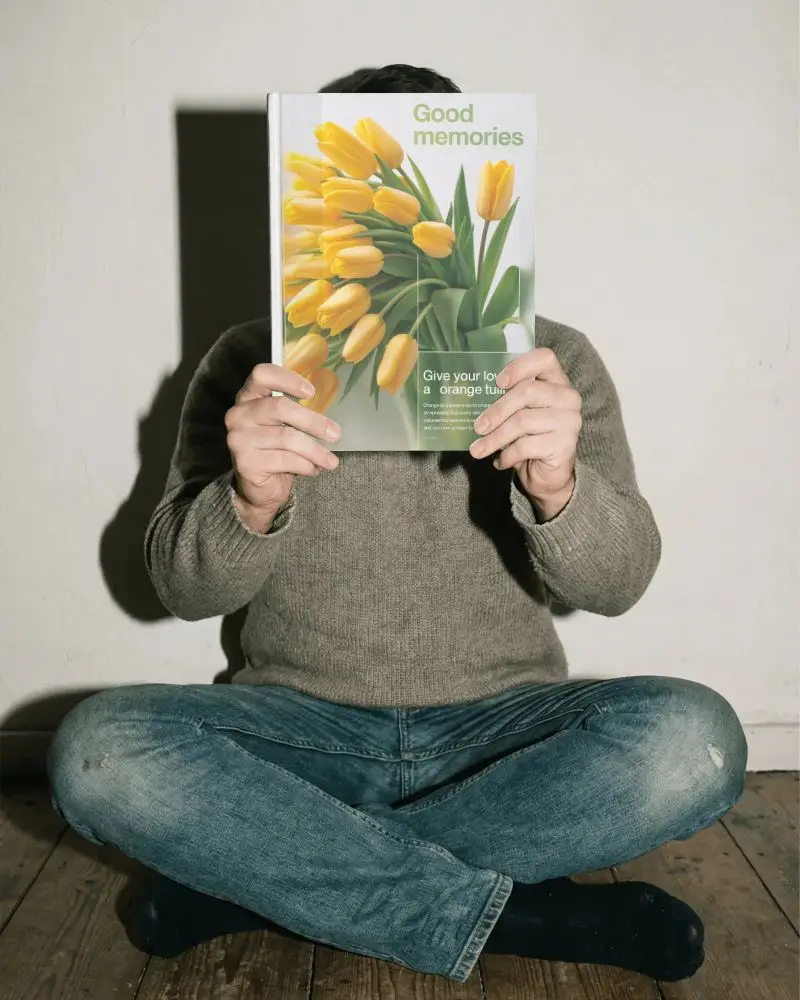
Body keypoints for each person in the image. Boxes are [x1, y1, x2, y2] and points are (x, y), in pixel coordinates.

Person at [47, 64, 747, 985]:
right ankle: (519, 914)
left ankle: (263, 883)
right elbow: (181, 590)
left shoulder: (552, 359)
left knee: (693, 740)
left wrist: (559, 488)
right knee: (97, 753)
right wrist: (247, 499)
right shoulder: (249, 361)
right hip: (300, 734)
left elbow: (618, 585)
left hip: (504, 736)